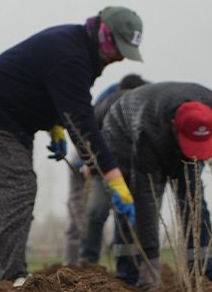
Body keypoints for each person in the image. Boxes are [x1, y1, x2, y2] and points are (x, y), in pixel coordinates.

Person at [0, 6, 144, 285]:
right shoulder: (71, 56)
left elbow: (52, 93)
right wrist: (114, 179)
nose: (118, 58)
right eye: (119, 49)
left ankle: (1, 272)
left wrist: (54, 125)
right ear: (105, 35)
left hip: (3, 117)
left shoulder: (80, 49)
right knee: (16, 190)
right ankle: (11, 278)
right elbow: (82, 122)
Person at [102, 81, 212, 291]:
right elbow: (146, 198)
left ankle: (203, 269)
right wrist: (152, 261)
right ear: (173, 127)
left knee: (194, 200)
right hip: (123, 132)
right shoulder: (148, 131)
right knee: (132, 202)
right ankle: (131, 275)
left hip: (166, 131)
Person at [63, 73, 149, 265]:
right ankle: (88, 264)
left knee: (128, 215)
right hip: (100, 163)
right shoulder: (106, 104)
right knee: (94, 211)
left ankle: (128, 267)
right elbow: (86, 135)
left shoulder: (149, 103)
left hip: (133, 166)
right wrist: (88, 163)